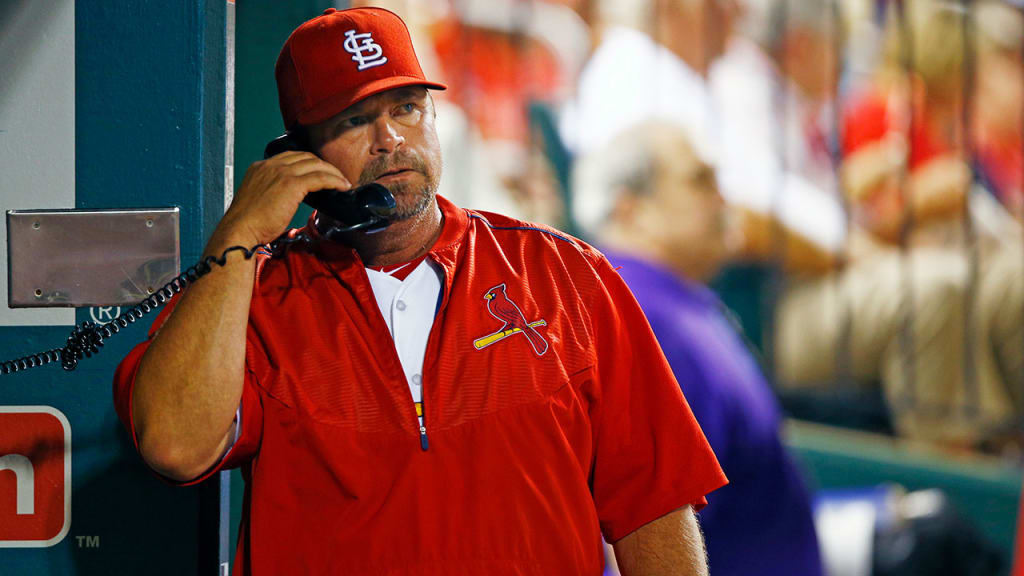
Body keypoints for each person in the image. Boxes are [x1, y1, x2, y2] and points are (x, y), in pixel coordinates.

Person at [111, 7, 726, 574]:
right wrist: (239, 235)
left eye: (406, 108)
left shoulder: (563, 274)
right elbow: (175, 445)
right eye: (354, 120)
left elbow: (653, 502)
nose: (391, 139)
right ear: (296, 156)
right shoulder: (257, 295)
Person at [575, 121, 823, 576]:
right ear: (633, 210)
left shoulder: (674, 302)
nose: (723, 199)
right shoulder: (644, 315)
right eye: (699, 180)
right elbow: (647, 523)